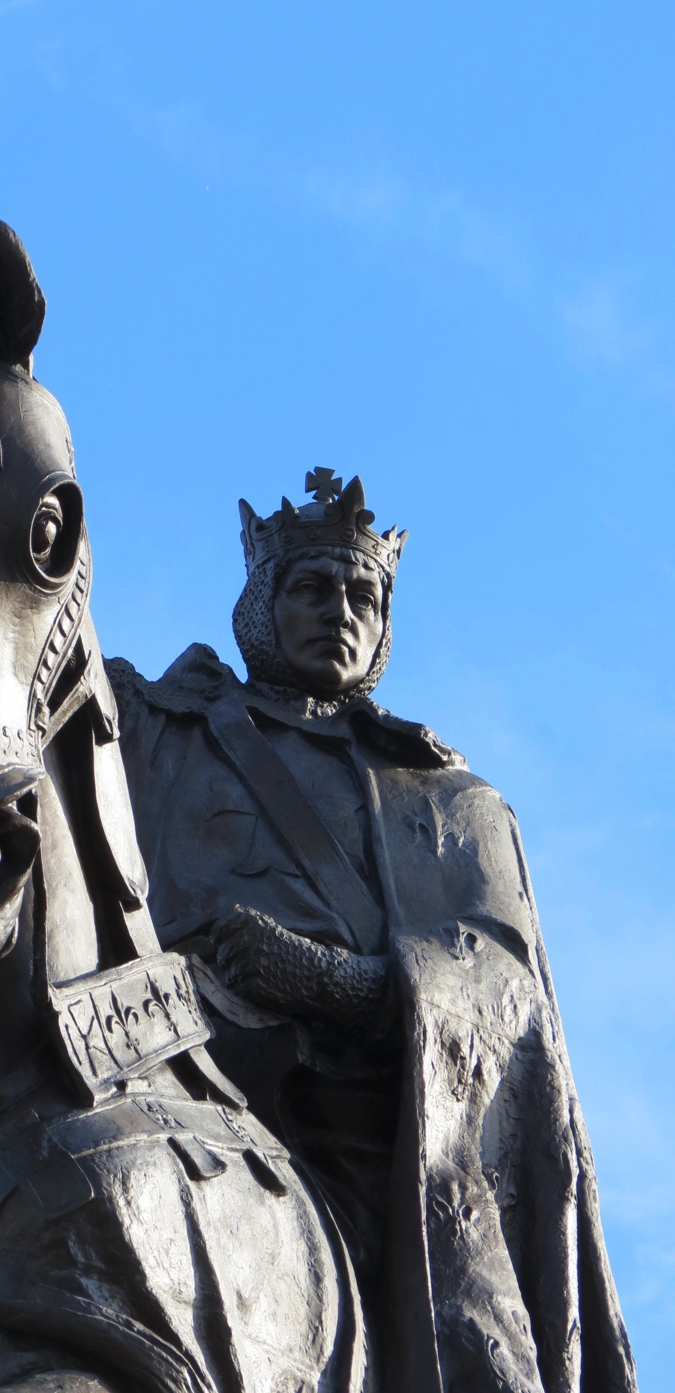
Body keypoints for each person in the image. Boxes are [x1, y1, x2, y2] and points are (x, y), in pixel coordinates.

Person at [106, 467, 636, 1393]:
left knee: (484, 1361)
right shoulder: (158, 730)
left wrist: (331, 981)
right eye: (311, 588)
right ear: (261, 605)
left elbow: (505, 987)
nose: (339, 612)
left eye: (363, 595)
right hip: (181, 1095)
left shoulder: (450, 798)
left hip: (384, 1144)